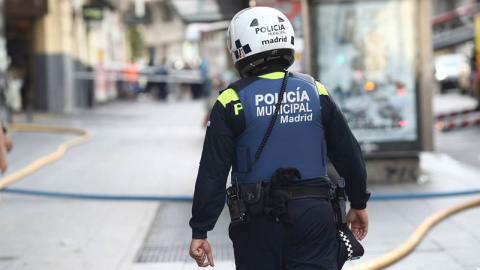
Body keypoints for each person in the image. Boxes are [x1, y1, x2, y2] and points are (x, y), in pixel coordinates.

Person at [189, 6, 370, 269]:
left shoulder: (231, 100)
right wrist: (359, 201)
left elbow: (212, 172)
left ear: (240, 50)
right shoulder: (315, 91)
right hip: (315, 217)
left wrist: (200, 229)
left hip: (257, 222)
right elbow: (348, 152)